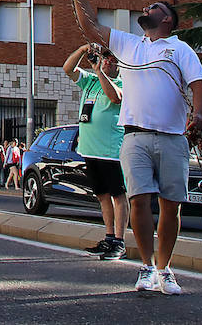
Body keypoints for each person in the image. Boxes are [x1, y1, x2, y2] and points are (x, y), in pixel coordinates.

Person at [66, 0, 202, 296]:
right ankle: (145, 265)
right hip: (134, 137)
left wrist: (198, 114)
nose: (146, 10)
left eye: (154, 8)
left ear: (168, 20)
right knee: (139, 201)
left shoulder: (180, 50)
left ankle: (164, 268)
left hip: (172, 138)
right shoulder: (129, 45)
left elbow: (199, 83)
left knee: (171, 205)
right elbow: (90, 26)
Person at [62, 42, 128, 259]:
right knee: (102, 196)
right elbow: (68, 69)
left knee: (118, 195)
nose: (108, 61)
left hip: (111, 152)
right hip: (90, 150)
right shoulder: (90, 82)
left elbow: (115, 97)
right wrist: (82, 51)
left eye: (112, 59)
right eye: (105, 57)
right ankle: (108, 237)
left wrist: (100, 71)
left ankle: (119, 240)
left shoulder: (123, 83)